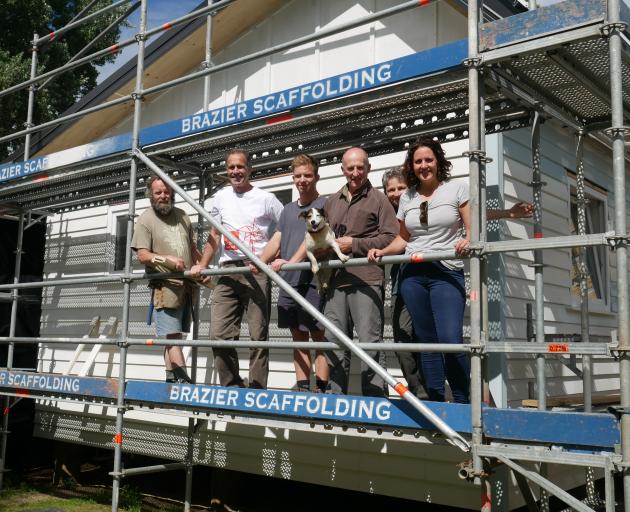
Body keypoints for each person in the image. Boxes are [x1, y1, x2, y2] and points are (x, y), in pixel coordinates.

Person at [381, 167, 533, 399]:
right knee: (406, 340)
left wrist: (507, 213)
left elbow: (466, 212)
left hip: (438, 274)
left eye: (400, 188)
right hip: (405, 281)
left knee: (447, 339)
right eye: (390, 190)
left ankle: (467, 398)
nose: (396, 193)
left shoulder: (423, 202)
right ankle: (423, 395)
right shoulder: (388, 214)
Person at [191, 149, 283, 389]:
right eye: (231, 167)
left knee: (257, 335)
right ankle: (232, 384)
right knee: (218, 335)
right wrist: (202, 265)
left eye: (240, 167)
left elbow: (288, 227)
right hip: (227, 268)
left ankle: (257, 388)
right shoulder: (221, 198)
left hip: (256, 269)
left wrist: (277, 256)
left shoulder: (266, 198)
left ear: (249, 169)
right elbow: (213, 235)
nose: (235, 172)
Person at [319, 147, 398, 396]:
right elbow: (323, 237)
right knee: (334, 343)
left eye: (360, 167)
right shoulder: (331, 202)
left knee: (369, 342)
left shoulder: (379, 199)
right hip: (335, 282)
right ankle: (335, 397)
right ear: (342, 170)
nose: (355, 172)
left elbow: (391, 238)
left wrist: (354, 244)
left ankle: (375, 399)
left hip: (366, 278)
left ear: (369, 168)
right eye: (350, 168)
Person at [258, 154, 329, 393]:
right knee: (298, 337)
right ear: (293, 178)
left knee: (319, 336)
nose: (303, 180)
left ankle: (320, 386)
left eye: (307, 175)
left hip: (314, 280)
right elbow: (277, 239)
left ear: (316, 177)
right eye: (298, 176)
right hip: (290, 282)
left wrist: (290, 261)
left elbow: (313, 240)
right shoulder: (288, 210)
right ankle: (302, 386)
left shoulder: (324, 205)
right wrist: (258, 261)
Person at [132, 176, 202, 383]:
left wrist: (202, 267)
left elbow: (192, 249)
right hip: (165, 287)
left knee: (174, 335)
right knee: (172, 336)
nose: (163, 196)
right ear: (150, 195)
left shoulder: (183, 215)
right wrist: (167, 260)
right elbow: (143, 255)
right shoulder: (146, 218)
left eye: (166, 191)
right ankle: (183, 379)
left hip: (187, 285)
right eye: (158, 192)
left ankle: (171, 376)